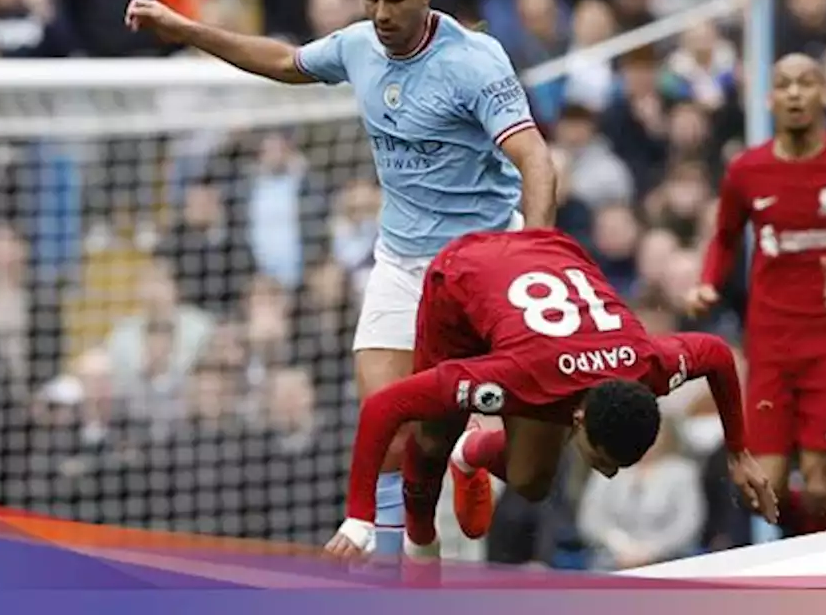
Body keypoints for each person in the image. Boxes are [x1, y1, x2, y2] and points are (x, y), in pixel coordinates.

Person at [125, 0, 557, 553]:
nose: (381, 13)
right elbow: (282, 61)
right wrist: (187, 29)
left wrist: (536, 253)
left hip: (487, 264)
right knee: (389, 437)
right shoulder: (359, 46)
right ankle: (402, 578)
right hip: (404, 265)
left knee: (531, 473)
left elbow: (536, 161)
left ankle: (473, 456)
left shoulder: (475, 61)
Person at [322, 229, 777, 562]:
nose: (612, 473)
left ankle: (473, 452)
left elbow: (716, 354)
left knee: (532, 483)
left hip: (551, 256)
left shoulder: (650, 365)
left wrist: (739, 452)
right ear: (579, 419)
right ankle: (421, 545)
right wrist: (358, 516)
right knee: (431, 437)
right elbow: (387, 406)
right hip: (462, 274)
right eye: (605, 460)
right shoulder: (511, 378)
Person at [684, 53, 826, 536]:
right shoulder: (746, 170)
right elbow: (724, 238)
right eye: (784, 84)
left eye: (806, 83)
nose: (795, 93)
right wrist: (708, 282)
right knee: (766, 487)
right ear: (770, 98)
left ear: (825, 94)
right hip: (770, 345)